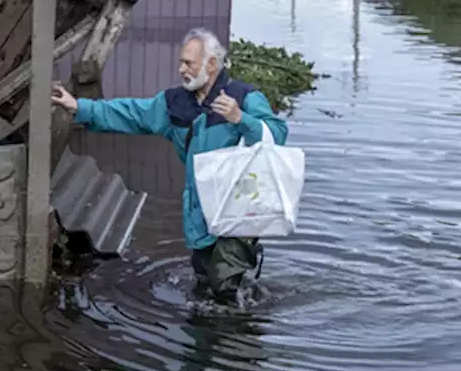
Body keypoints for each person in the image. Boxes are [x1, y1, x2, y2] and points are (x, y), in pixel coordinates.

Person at [51, 27, 289, 304]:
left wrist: (241, 119)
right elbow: (130, 113)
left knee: (224, 286)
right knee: (203, 281)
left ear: (211, 65)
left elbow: (277, 136)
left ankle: (235, 338)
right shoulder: (174, 104)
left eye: (188, 62)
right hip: (200, 213)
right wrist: (78, 106)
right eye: (181, 62)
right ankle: (234, 312)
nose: (181, 69)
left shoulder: (244, 97)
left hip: (238, 210)